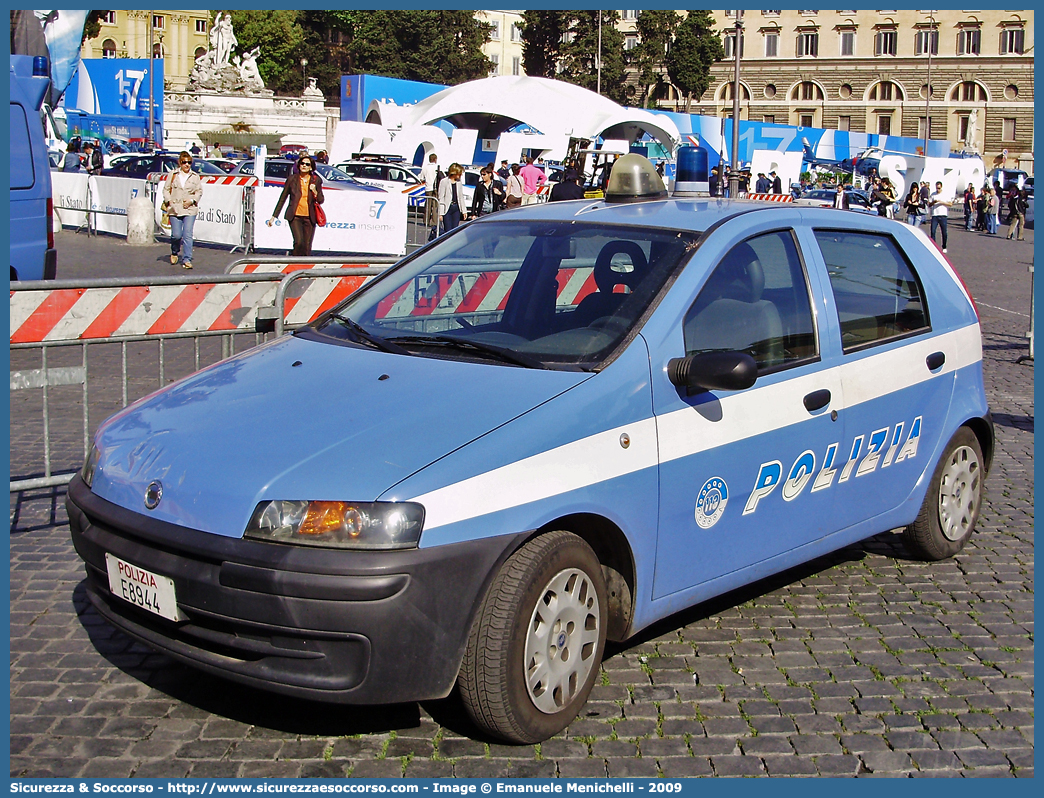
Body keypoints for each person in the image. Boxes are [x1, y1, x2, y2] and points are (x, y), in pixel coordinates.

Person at [267, 154, 325, 256]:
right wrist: (274, 216)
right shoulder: (292, 179)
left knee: (307, 245)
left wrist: (314, 191)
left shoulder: (316, 180)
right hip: (295, 216)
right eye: (302, 163)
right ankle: (295, 263)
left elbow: (321, 200)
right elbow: (283, 198)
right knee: (299, 242)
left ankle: (305, 267)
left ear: (311, 167)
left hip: (309, 217)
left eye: (307, 164)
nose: (304, 166)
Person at [162, 151, 203, 269]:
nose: (187, 165)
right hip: (175, 209)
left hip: (190, 209)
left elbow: (199, 191)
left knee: (188, 234)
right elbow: (166, 189)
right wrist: (169, 201)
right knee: (176, 235)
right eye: (184, 162)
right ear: (180, 163)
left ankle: (187, 259)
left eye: (189, 162)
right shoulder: (173, 174)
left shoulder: (195, 176)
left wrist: (192, 200)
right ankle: (174, 251)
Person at [437, 162, 466, 233]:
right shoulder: (444, 181)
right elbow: (441, 197)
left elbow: (461, 196)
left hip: (456, 208)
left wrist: (464, 211)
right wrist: (440, 213)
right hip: (447, 209)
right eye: (459, 173)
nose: (460, 175)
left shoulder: (459, 182)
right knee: (448, 230)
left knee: (455, 230)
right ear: (454, 173)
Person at [419, 152, 441, 228]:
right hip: (436, 188)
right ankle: (434, 222)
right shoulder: (437, 167)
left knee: (428, 205)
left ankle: (426, 221)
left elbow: (421, 178)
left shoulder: (425, 167)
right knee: (435, 206)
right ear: (435, 159)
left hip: (428, 188)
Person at [928, 181, 950, 253]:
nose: (938, 189)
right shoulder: (933, 194)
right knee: (933, 231)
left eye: (939, 188)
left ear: (941, 187)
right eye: (937, 188)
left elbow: (950, 204)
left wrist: (942, 202)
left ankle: (944, 246)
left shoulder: (945, 194)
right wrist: (934, 202)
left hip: (943, 215)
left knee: (944, 232)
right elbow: (929, 204)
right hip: (935, 215)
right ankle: (933, 246)